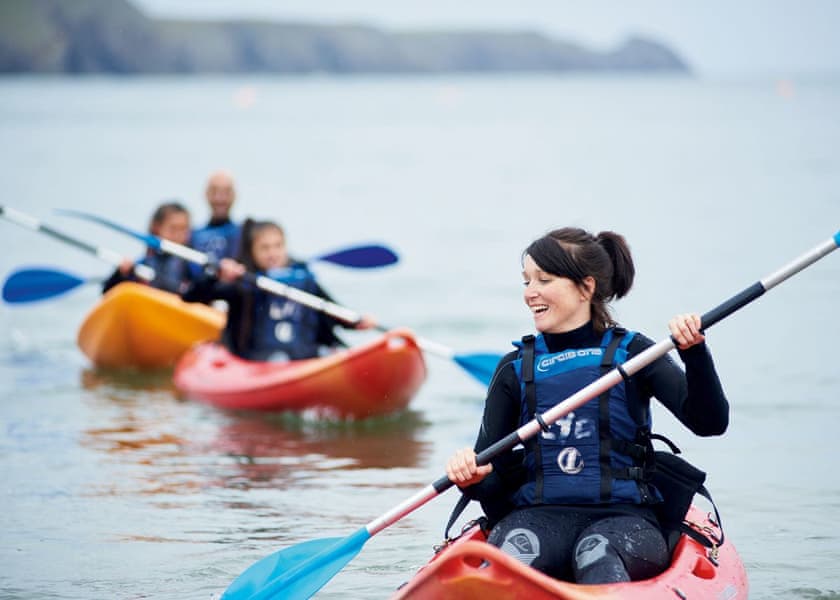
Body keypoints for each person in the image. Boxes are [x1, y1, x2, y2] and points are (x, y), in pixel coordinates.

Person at [445, 227, 729, 585]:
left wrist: (695, 354)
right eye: (526, 282)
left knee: (595, 553)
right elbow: (491, 479)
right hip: (537, 518)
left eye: (544, 280)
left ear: (586, 287)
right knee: (516, 555)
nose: (530, 293)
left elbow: (710, 422)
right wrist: (470, 480)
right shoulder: (514, 368)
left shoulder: (635, 354)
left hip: (625, 521)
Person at [184, 218, 375, 362]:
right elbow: (191, 296)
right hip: (258, 360)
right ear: (253, 252)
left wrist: (356, 321)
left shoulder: (303, 281)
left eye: (277, 246)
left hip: (301, 357)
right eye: (264, 248)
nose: (272, 253)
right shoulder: (243, 285)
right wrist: (216, 276)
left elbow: (330, 309)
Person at [102, 201, 196, 295]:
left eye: (184, 229)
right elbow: (107, 292)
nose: (178, 235)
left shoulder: (192, 265)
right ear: (157, 228)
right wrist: (120, 275)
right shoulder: (144, 264)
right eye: (173, 229)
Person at [190, 169, 241, 262]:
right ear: (206, 194)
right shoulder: (192, 235)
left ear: (234, 195)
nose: (220, 198)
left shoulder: (244, 234)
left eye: (226, 192)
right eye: (214, 191)